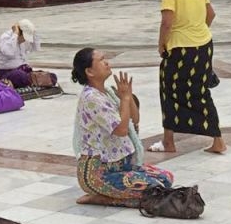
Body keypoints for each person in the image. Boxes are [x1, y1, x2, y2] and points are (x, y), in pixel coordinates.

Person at [71, 47, 174, 206]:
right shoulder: (91, 98)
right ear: (90, 72)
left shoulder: (107, 92)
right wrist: (125, 99)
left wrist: (128, 96)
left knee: (166, 178)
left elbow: (135, 118)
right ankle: (101, 197)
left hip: (120, 166)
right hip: (99, 174)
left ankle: (112, 196)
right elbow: (121, 130)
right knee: (154, 189)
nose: (107, 63)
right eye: (101, 60)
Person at [156, 0, 225, 155]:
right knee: (201, 92)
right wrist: (197, 29)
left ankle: (169, 141)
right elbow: (211, 14)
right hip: (204, 46)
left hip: (180, 49)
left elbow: (167, 23)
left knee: (169, 92)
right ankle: (218, 141)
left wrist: (161, 45)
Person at [0, 18, 57, 89]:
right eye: (24, 37)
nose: (25, 40)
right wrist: (15, 34)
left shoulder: (22, 40)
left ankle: (33, 80)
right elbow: (9, 52)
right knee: (19, 76)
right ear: (19, 33)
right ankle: (35, 81)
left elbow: (35, 48)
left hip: (24, 72)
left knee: (52, 76)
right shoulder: (5, 38)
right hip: (7, 74)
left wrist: (34, 31)